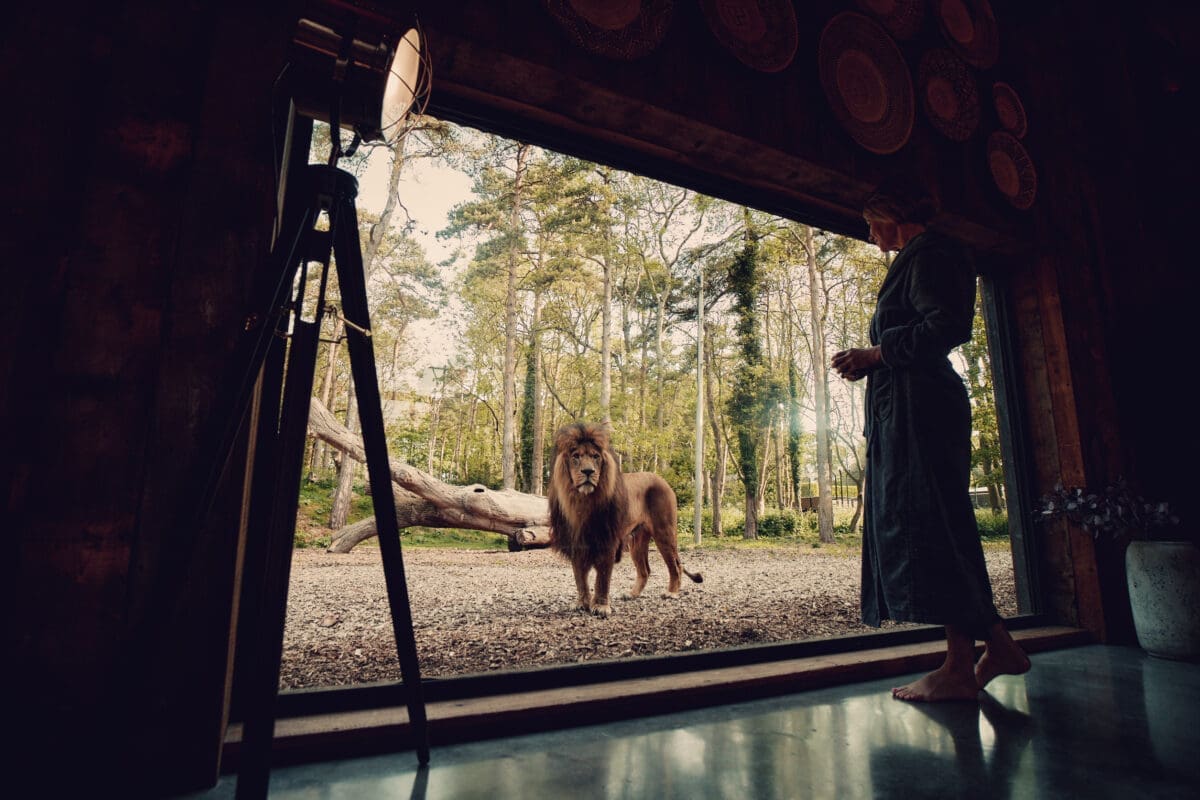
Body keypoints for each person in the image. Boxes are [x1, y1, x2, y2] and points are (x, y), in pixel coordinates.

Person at [831, 175, 1030, 702]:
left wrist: (873, 354)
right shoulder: (922, 255)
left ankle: (964, 665)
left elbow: (945, 326)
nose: (872, 238)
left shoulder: (932, 252)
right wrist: (872, 362)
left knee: (934, 527)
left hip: (923, 413)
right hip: (910, 411)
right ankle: (980, 653)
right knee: (939, 525)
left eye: (871, 227)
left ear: (890, 215)